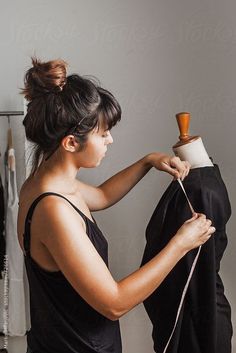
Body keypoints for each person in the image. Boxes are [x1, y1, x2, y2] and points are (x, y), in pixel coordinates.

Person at [17, 59, 215, 353]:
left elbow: (103, 195)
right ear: (71, 143)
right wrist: (180, 244)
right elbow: (114, 303)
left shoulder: (44, 184)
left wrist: (149, 161)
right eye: (103, 133)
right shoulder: (52, 210)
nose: (110, 139)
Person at [141, 112, 232, 353]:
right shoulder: (200, 178)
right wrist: (149, 160)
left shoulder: (201, 191)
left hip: (197, 319)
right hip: (195, 311)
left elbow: (197, 274)